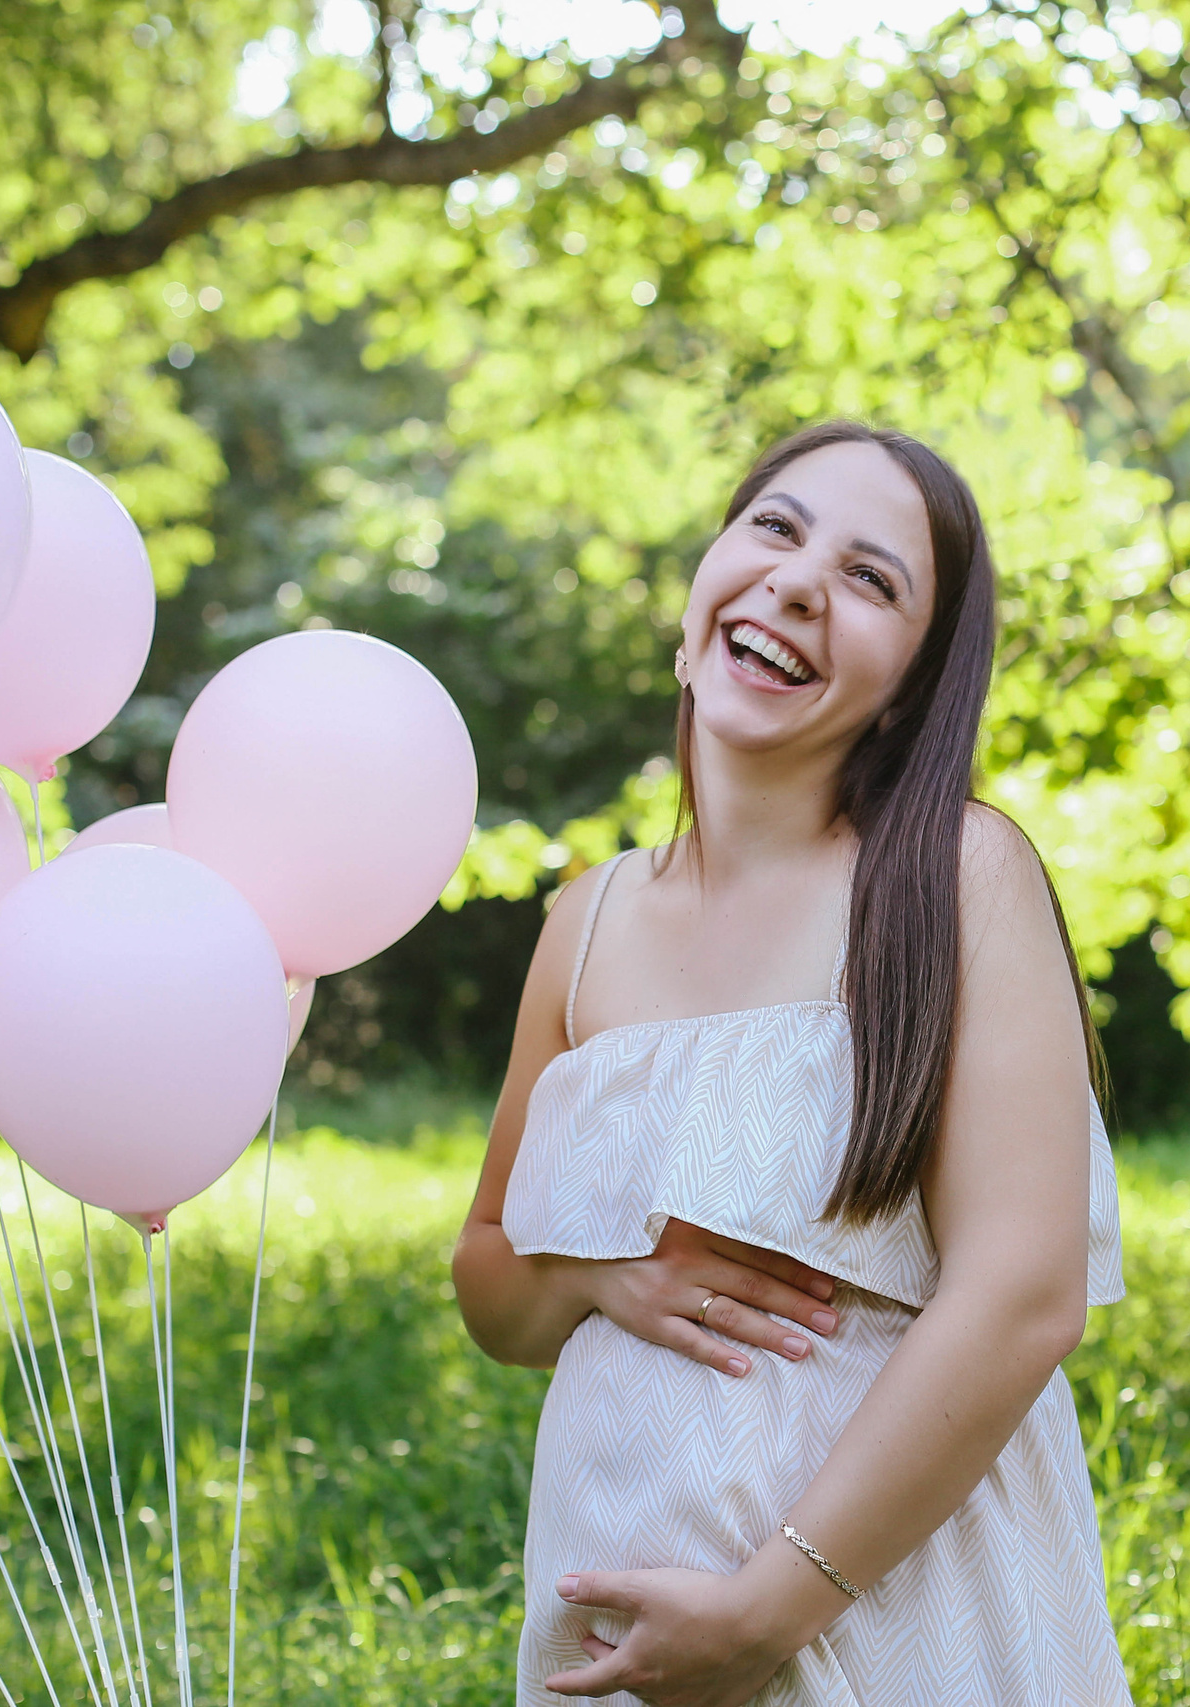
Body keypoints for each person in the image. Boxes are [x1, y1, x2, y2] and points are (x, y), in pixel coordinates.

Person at [452, 420, 1132, 1705]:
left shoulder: (953, 878)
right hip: (625, 1653)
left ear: (913, 686)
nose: (803, 579)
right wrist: (606, 1275)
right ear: (704, 584)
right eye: (776, 526)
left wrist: (766, 1612)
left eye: (872, 579)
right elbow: (490, 1277)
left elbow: (1024, 1293)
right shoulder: (585, 922)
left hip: (899, 1621)